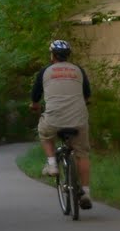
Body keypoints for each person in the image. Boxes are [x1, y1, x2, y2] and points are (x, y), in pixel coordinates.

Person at [30, 38, 92, 209]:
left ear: (52, 55)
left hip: (54, 119)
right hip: (78, 120)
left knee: (44, 131)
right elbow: (87, 95)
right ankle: (86, 193)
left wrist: (34, 105)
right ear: (68, 55)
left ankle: (52, 164)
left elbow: (35, 95)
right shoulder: (78, 70)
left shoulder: (45, 71)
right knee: (82, 154)